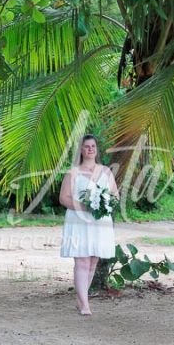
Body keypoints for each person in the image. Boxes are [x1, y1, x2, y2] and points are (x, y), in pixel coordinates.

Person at [59, 134, 118, 316]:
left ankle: (81, 298)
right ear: (81, 150)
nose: (90, 149)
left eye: (93, 146)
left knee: (93, 261)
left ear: (96, 149)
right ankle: (85, 305)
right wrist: (85, 206)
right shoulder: (73, 172)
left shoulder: (106, 172)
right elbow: (64, 198)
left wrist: (103, 204)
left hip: (99, 222)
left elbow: (115, 196)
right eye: (86, 146)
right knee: (82, 260)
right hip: (79, 220)